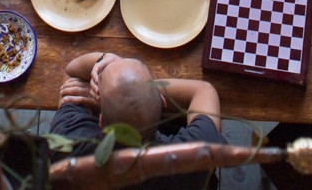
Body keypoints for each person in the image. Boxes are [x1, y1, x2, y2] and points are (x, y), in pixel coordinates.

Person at [50, 50, 226, 190]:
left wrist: (105, 59)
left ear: (102, 121)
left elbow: (72, 72)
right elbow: (204, 90)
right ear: (163, 102)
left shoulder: (68, 144)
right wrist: (144, 93)